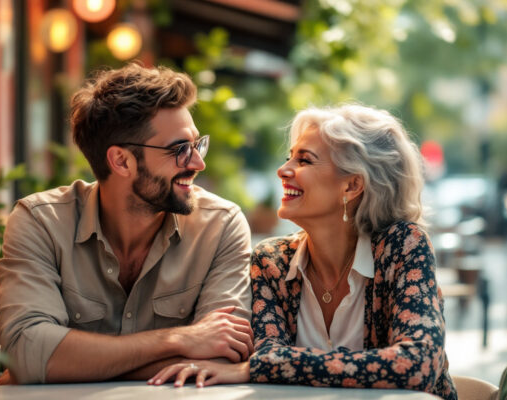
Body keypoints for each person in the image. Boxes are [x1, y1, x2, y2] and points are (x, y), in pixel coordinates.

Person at [149, 104, 457, 400]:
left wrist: (262, 368)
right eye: (289, 158)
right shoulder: (271, 261)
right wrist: (267, 366)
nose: (283, 170)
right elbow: (270, 355)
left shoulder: (403, 246)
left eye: (304, 160)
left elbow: (418, 364)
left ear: (352, 185)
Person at [0, 63, 253, 384]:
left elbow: (224, 351)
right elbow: (27, 353)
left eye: (197, 144)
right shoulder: (40, 222)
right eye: (180, 149)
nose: (198, 162)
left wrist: (65, 363)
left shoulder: (220, 226)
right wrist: (179, 340)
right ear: (121, 161)